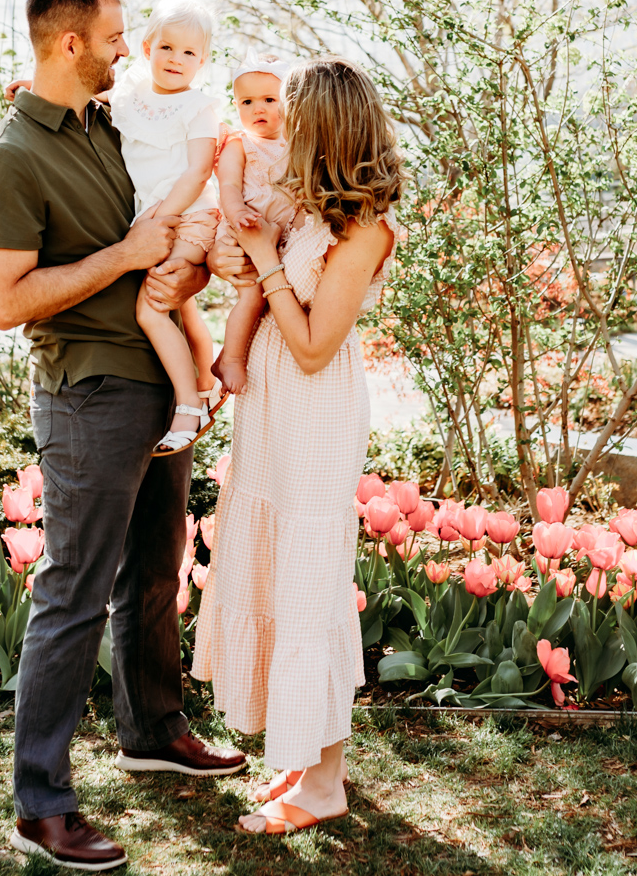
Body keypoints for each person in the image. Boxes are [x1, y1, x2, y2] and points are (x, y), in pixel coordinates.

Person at [0, 0, 246, 872]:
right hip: (90, 389)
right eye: (114, 36)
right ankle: (41, 803)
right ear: (69, 43)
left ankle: (152, 729)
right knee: (73, 590)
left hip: (161, 381)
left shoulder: (108, 119)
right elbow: (5, 301)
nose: (128, 49)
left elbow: (183, 194)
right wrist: (125, 255)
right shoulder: (12, 157)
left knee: (158, 569)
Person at [193, 56, 406, 834]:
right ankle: (307, 753)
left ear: (327, 130)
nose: (281, 125)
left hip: (313, 403)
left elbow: (316, 345)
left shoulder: (368, 227)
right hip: (277, 403)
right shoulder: (315, 208)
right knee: (280, 569)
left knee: (309, 582)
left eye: (297, 118)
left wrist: (260, 265)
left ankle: (326, 783)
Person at [106, 0, 224, 453]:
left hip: (190, 215)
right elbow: (88, 95)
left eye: (189, 53)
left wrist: (164, 216)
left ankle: (188, 408)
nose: (177, 59)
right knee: (185, 307)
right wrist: (34, 87)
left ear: (203, 60)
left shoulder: (199, 108)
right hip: (154, 218)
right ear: (146, 46)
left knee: (152, 308)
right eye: (167, 48)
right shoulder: (132, 94)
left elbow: (197, 172)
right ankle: (205, 381)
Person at [211, 56, 297, 395]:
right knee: (252, 293)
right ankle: (229, 358)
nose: (257, 109)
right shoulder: (239, 143)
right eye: (247, 102)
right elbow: (228, 186)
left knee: (281, 294)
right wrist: (236, 214)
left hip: (282, 234)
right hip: (246, 226)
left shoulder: (296, 143)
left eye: (268, 100)